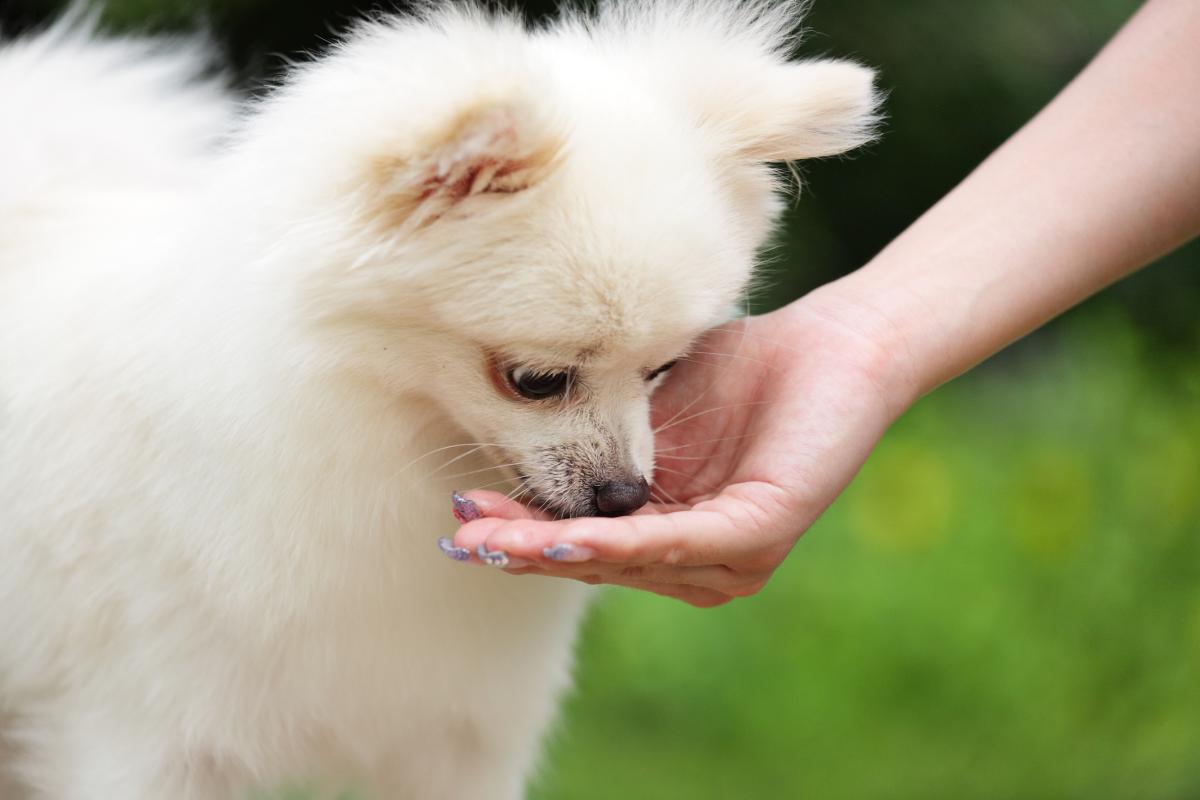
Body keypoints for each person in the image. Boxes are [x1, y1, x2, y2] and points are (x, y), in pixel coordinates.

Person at [449, 0, 1200, 607]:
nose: (626, 473)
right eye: (540, 378)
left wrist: (867, 339)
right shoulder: (459, 161)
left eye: (658, 369)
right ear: (435, 190)